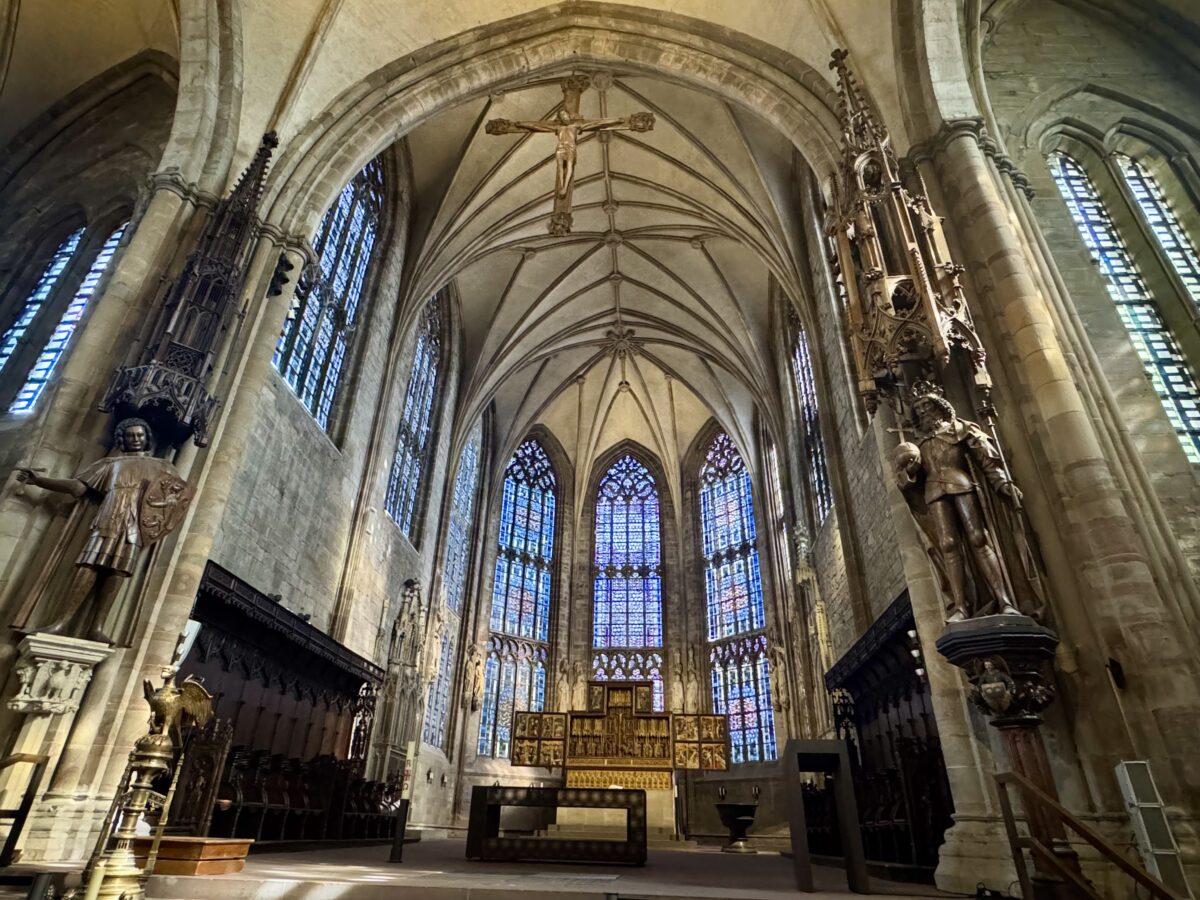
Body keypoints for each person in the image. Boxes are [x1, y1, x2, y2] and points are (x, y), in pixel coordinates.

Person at [15, 418, 193, 643]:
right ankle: (61, 622)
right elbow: (77, 487)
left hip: (137, 522)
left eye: (140, 435)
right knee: (89, 563)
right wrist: (40, 481)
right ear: (123, 439)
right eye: (130, 435)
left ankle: (97, 627)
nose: (136, 439)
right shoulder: (109, 463)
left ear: (147, 437)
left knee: (119, 569)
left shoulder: (164, 467)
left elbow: (176, 499)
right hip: (110, 513)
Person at [894, 386, 1022, 622]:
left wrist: (1002, 483)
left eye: (927, 405)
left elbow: (987, 458)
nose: (923, 412)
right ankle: (961, 607)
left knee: (977, 537)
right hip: (934, 491)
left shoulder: (961, 430)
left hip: (961, 484)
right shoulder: (919, 445)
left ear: (939, 406)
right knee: (948, 544)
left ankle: (1004, 601)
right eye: (919, 409)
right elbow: (907, 482)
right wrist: (910, 473)